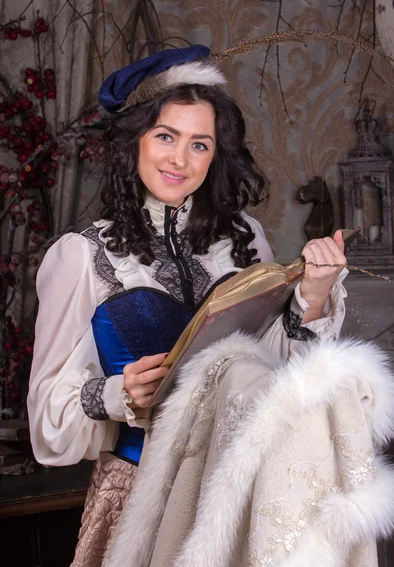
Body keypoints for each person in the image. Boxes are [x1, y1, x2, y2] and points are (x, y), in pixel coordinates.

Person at [27, 45, 347, 567]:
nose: (180, 159)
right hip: (139, 503)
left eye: (200, 144)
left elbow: (277, 377)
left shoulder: (246, 241)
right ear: (135, 142)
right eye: (166, 137)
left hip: (245, 495)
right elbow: (47, 421)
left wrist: (311, 296)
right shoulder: (81, 256)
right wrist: (117, 393)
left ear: (215, 155)